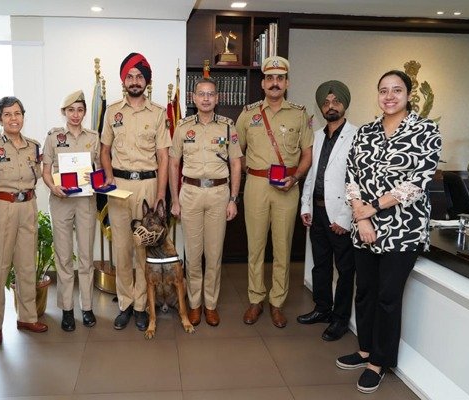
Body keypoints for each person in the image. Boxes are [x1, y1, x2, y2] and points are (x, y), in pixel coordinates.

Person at [337, 70, 441, 394]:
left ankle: (379, 362)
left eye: (397, 90)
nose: (389, 96)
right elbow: (351, 176)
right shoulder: (365, 131)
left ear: (408, 95)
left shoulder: (425, 130)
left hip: (403, 230)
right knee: (364, 291)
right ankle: (365, 349)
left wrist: (374, 207)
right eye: (384, 90)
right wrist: (361, 216)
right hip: (364, 226)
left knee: (387, 296)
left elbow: (418, 182)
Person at [236, 56, 313, 328]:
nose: (275, 83)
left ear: (287, 83)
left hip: (287, 188)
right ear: (263, 83)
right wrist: (250, 172)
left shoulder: (299, 114)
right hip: (256, 186)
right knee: (255, 247)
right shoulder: (248, 114)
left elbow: (307, 154)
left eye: (280, 78)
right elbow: (237, 152)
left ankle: (277, 302)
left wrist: (296, 177)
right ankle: (255, 299)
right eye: (270, 78)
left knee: (283, 248)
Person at [100, 52, 171, 331]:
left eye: (139, 76)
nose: (134, 81)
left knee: (144, 249)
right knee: (122, 249)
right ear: (123, 81)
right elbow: (104, 150)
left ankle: (141, 306)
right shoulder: (112, 112)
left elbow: (163, 156)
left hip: (147, 186)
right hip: (119, 187)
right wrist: (108, 177)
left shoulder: (158, 113)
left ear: (146, 81)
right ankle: (125, 304)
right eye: (129, 76)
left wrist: (161, 193)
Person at [169, 77, 243, 327]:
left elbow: (236, 163)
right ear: (194, 97)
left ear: (217, 98)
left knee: (214, 254)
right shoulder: (183, 127)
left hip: (218, 195)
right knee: (193, 255)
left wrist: (233, 199)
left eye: (211, 94)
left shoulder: (227, 127)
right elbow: (173, 164)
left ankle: (210, 305)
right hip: (190, 193)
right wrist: (175, 200)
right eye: (201, 94)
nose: (206, 98)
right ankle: (195, 305)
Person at [0, 96, 48, 347]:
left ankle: (27, 317)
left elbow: (42, 174)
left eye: (17, 113)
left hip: (28, 206)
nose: (13, 118)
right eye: (8, 114)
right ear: (0, 119)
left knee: (27, 265)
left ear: (23, 116)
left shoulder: (34, 146)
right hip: (1, 207)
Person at [298, 81, 357, 341]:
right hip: (318, 212)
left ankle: (340, 319)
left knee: (344, 269)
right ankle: (322, 308)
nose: (330, 106)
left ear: (344, 104)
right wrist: (306, 205)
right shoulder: (317, 136)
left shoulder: (357, 136)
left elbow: (357, 180)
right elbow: (311, 174)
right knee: (320, 265)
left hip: (341, 214)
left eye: (336, 102)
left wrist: (345, 217)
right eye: (326, 103)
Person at [42, 90, 100, 331]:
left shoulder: (93, 137)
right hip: (61, 201)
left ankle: (87, 307)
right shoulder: (53, 137)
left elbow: (100, 170)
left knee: (85, 256)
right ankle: (67, 309)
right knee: (64, 256)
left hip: (85, 201)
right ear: (63, 112)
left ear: (85, 112)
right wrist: (53, 187)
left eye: (80, 110)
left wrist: (94, 178)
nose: (75, 115)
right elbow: (45, 171)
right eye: (71, 110)